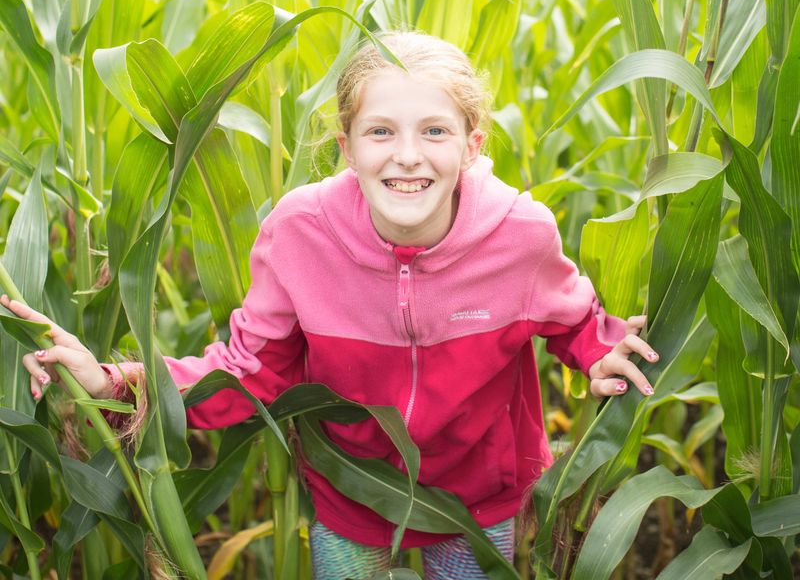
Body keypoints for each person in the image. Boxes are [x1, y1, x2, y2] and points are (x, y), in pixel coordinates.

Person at [3, 31, 659, 579]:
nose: (407, 156)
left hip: (477, 502)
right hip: (350, 492)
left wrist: (599, 352)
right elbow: (250, 369)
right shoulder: (299, 235)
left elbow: (569, 314)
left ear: (473, 144)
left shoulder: (520, 234)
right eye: (380, 131)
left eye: (434, 130)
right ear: (346, 147)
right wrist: (118, 385)